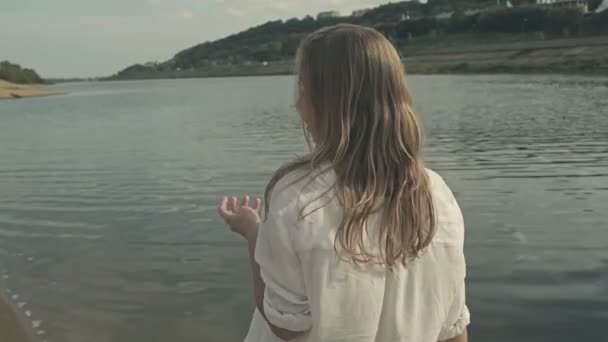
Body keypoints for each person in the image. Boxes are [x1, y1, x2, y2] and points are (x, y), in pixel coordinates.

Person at [218, 24, 469, 342]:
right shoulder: (437, 194)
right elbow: (454, 328)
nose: (298, 104)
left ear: (325, 100)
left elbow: (285, 323)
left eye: (304, 88)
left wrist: (253, 233)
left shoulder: (298, 196)